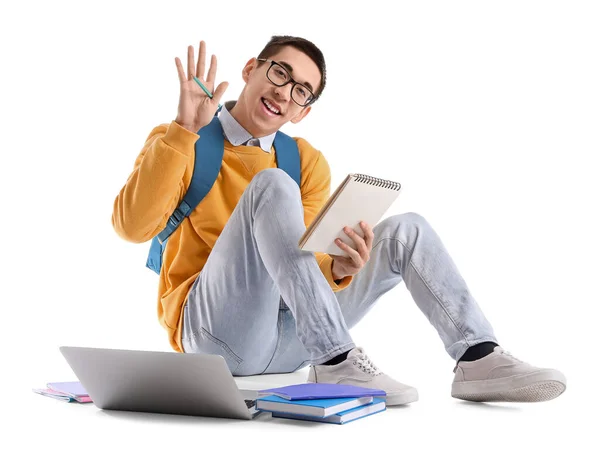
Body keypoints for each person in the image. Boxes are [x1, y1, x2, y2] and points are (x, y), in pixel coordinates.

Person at [112, 36, 566, 405]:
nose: (284, 93)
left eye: (300, 91)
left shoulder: (304, 161)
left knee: (407, 228)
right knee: (272, 185)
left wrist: (342, 269)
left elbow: (308, 268)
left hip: (293, 339)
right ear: (251, 68)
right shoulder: (182, 139)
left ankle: (478, 357)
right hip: (215, 337)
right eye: (279, 73)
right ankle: (336, 362)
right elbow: (131, 227)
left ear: (303, 111)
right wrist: (185, 129)